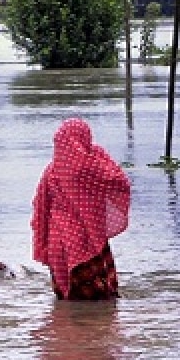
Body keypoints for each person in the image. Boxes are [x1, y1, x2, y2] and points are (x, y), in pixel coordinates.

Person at [31, 118, 131, 300]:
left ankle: (67, 327)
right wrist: (98, 154)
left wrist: (44, 245)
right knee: (99, 300)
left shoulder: (51, 170)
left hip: (57, 243)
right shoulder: (90, 166)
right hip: (85, 240)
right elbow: (119, 181)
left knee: (66, 298)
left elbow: (41, 210)